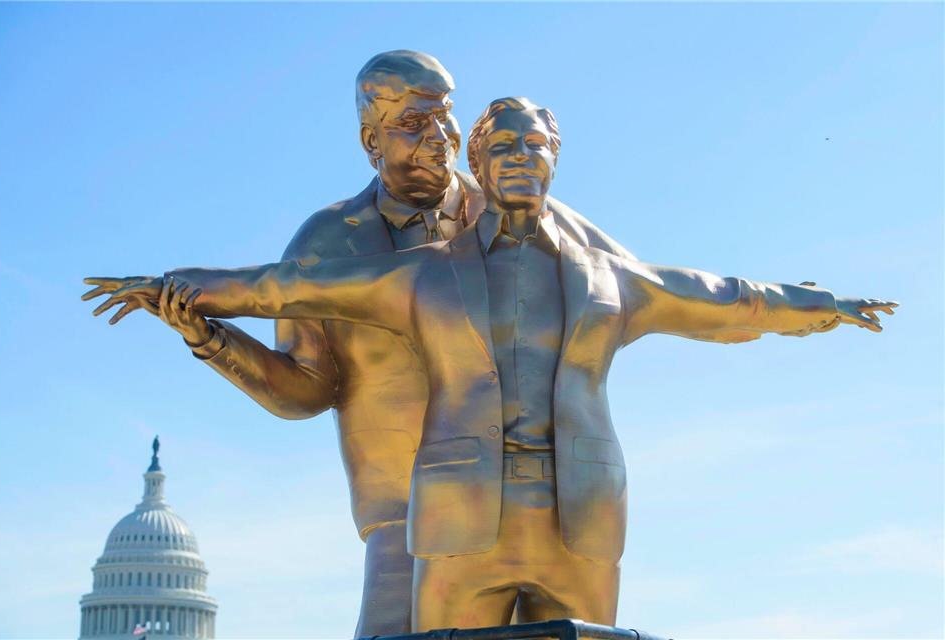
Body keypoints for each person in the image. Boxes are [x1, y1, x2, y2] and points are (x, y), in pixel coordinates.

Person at [90, 96, 896, 631]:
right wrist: (177, 290)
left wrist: (817, 307)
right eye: (499, 145)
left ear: (554, 159)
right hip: (457, 514)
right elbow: (283, 286)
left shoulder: (611, 277)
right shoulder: (424, 274)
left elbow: (725, 299)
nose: (518, 157)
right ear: (479, 162)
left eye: (533, 145)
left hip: (580, 512)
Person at [83, 56, 635, 637]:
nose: (439, 139)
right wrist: (208, 335)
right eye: (413, 123)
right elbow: (304, 390)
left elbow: (631, 285)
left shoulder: (524, 212)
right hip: (400, 514)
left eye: (445, 118)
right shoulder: (328, 241)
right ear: (372, 140)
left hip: (539, 501)